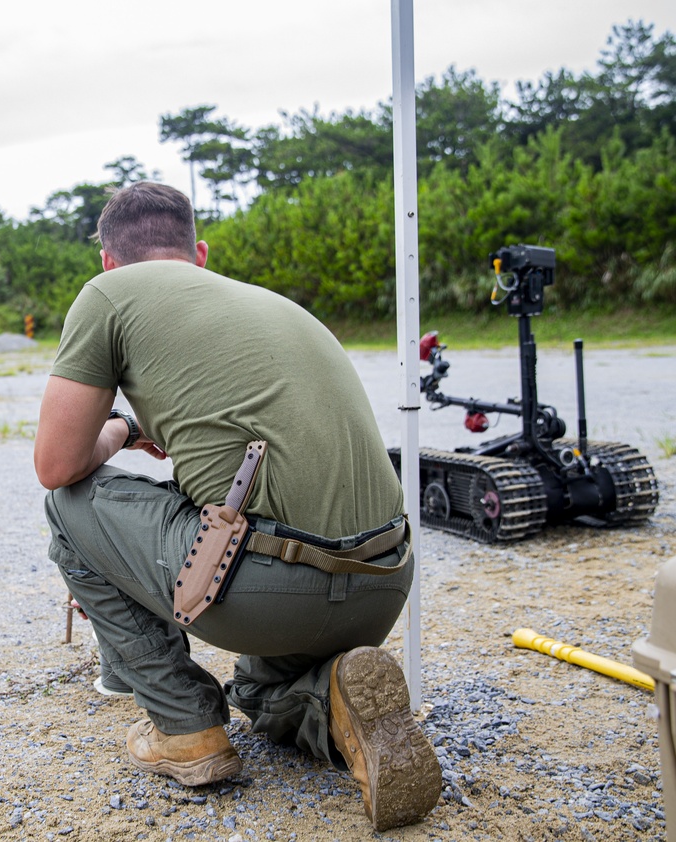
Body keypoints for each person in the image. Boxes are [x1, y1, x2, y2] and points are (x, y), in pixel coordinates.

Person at [34, 182, 441, 832]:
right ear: (198, 252)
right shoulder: (266, 303)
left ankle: (186, 728)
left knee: (68, 505)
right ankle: (335, 689)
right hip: (383, 583)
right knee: (256, 690)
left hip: (272, 593)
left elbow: (56, 465)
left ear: (109, 262)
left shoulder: (107, 295)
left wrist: (118, 428)